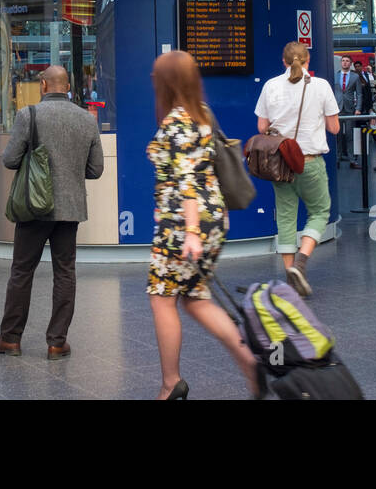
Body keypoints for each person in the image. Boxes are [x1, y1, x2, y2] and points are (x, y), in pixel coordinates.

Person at [146, 50, 262, 400]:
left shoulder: (177, 122)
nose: (152, 81)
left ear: (167, 82)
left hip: (183, 227)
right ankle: (250, 362)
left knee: (162, 299)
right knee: (196, 299)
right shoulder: (202, 115)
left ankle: (171, 383)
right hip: (213, 219)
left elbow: (188, 183)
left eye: (156, 76)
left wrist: (192, 232)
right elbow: (203, 174)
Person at [0, 66, 103, 361]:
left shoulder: (30, 115)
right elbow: (95, 169)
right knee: (65, 272)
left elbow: (10, 159)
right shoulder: (86, 120)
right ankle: (56, 342)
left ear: (42, 85)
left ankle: (11, 338)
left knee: (22, 271)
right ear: (68, 87)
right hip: (70, 209)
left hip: (34, 208)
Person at [254, 42, 340, 297]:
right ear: (308, 61)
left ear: (284, 62)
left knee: (286, 216)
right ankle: (302, 260)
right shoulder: (321, 86)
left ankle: (291, 272)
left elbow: (261, 127)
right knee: (319, 211)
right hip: (310, 161)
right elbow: (334, 128)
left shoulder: (270, 86)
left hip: (280, 162)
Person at [339, 57, 363, 169]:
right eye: (343, 61)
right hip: (337, 109)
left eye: (347, 61)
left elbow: (359, 94)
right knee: (337, 136)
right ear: (340, 63)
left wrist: (358, 108)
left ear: (351, 64)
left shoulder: (355, 77)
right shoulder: (335, 75)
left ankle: (352, 160)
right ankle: (337, 158)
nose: (345, 63)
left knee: (349, 136)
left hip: (350, 109)